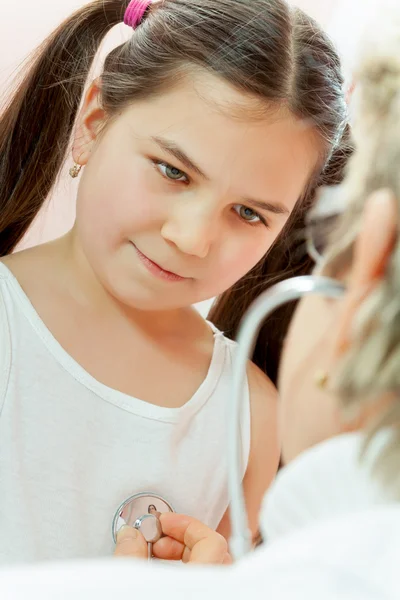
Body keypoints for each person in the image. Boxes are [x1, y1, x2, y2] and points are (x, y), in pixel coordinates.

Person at [0, 0, 348, 564]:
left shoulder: (247, 415)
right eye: (172, 171)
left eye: (249, 213)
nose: (192, 238)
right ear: (94, 123)